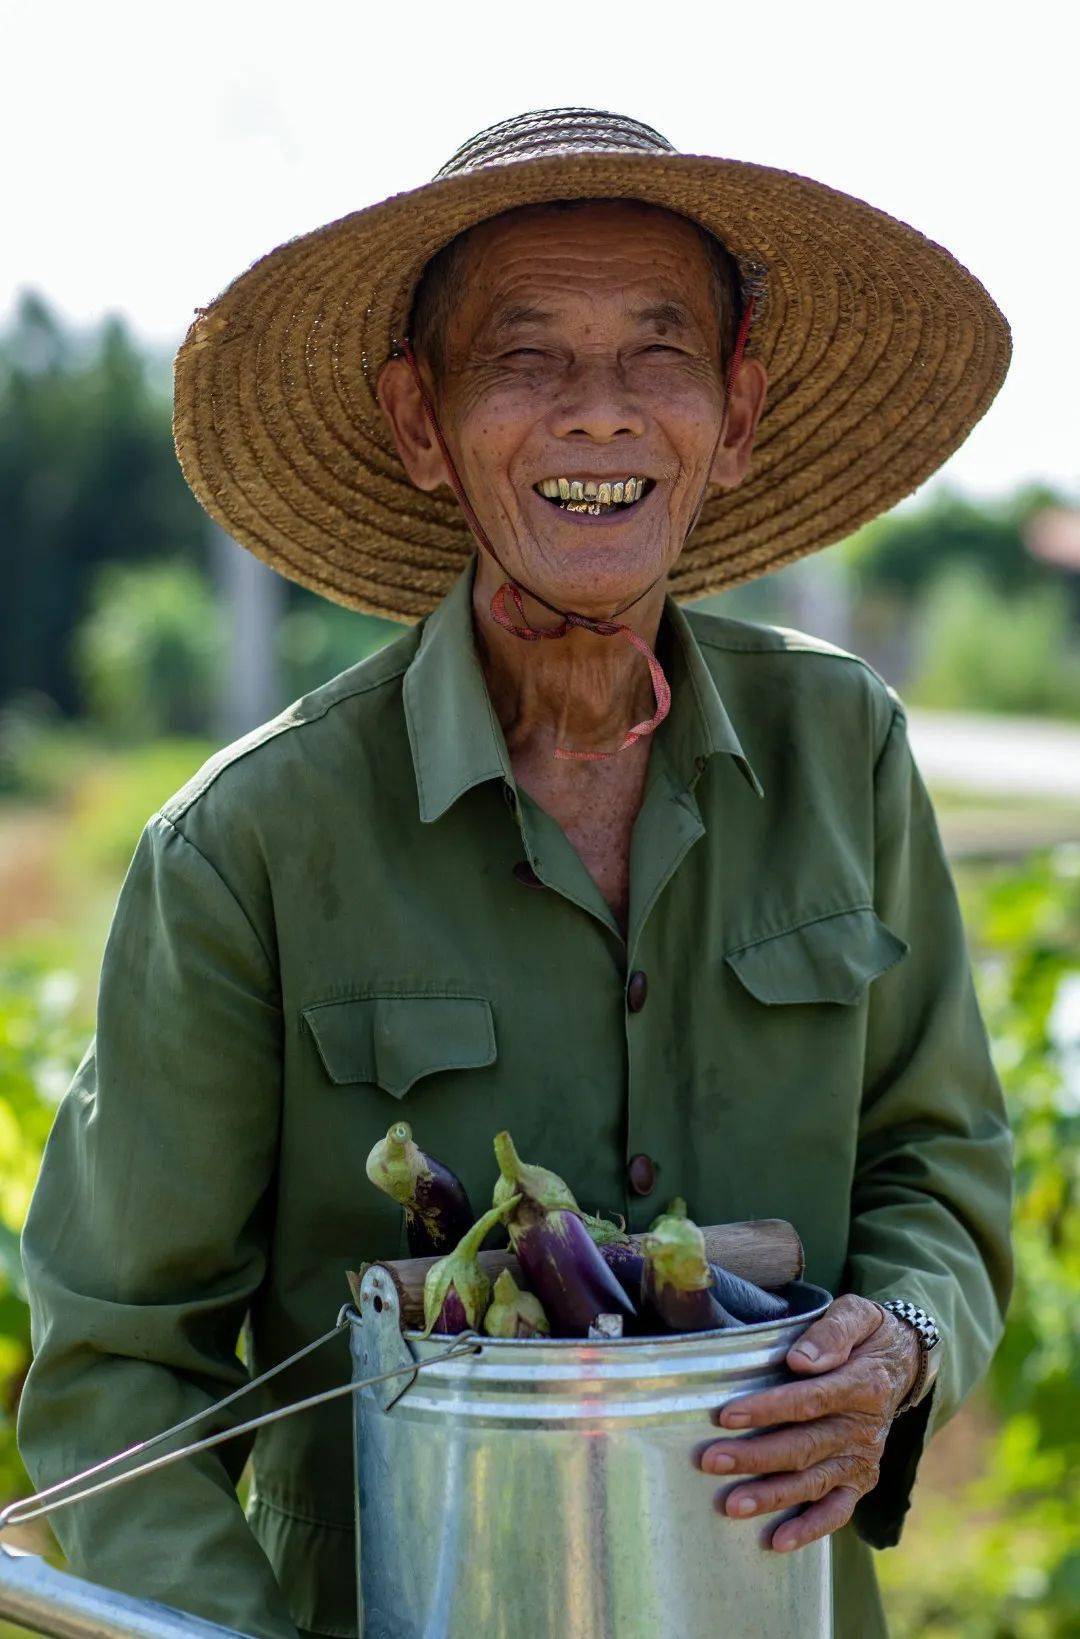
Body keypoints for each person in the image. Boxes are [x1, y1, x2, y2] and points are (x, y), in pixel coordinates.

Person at [17, 107, 1014, 1639]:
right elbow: (117, 1373)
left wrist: (906, 1335)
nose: (599, 416)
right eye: (527, 359)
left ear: (736, 415)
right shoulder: (250, 845)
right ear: (422, 423)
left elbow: (937, 1162)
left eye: (657, 355)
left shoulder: (847, 753)